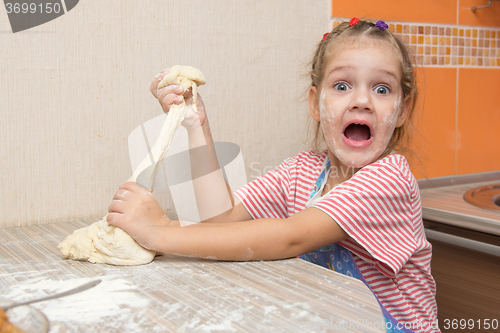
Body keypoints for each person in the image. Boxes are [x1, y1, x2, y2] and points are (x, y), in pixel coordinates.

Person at [107, 18, 440, 333]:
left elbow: (289, 236)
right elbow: (221, 219)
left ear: (402, 110)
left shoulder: (389, 180)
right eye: (342, 85)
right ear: (315, 102)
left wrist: (161, 232)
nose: (363, 100)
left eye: (382, 89)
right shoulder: (303, 171)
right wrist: (196, 126)